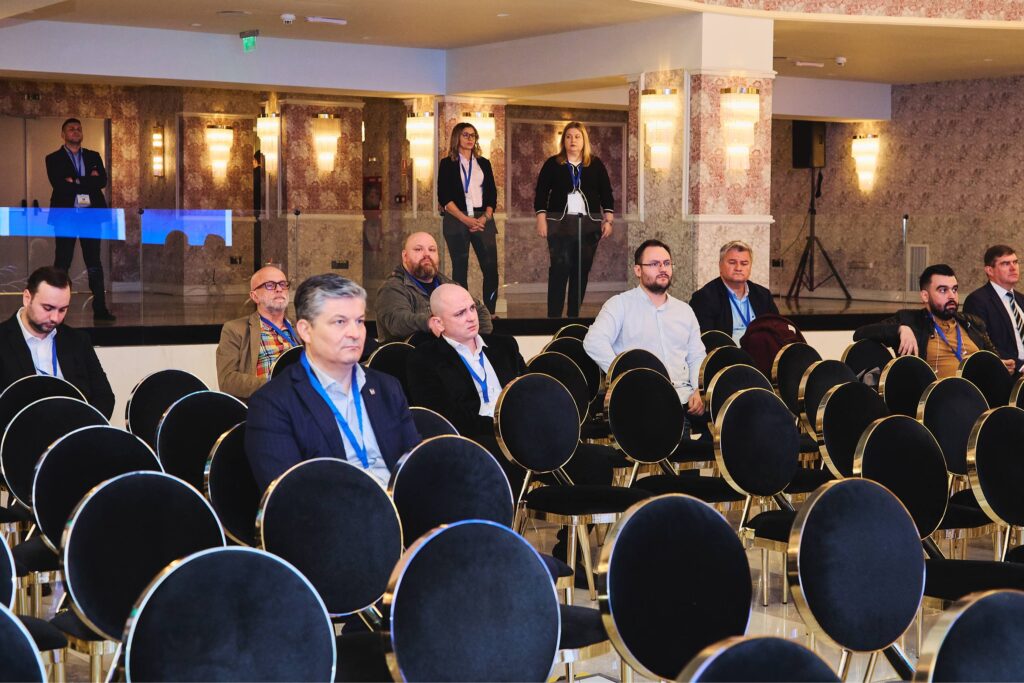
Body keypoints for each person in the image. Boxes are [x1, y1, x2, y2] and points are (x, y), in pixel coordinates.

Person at [246, 274, 420, 492]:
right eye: (340, 322)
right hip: (334, 509)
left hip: (400, 505)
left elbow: (415, 468)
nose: (355, 333)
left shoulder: (387, 387)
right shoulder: (273, 404)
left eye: (359, 321)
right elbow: (290, 496)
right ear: (305, 330)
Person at [405, 284, 526, 486]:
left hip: (520, 430)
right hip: (473, 439)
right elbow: (444, 418)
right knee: (501, 454)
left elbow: (528, 393)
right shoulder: (424, 359)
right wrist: (503, 428)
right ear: (439, 323)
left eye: (472, 309)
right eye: (460, 313)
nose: (471, 317)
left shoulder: (505, 347)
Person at [583, 239, 706, 416]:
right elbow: (594, 341)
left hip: (683, 399)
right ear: (638, 270)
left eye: (667, 263)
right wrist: (624, 377)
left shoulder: (684, 310)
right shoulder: (620, 305)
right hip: (640, 399)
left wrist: (698, 389)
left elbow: (696, 356)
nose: (663, 269)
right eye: (654, 264)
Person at [854, 264, 1010, 379]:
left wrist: (1002, 366)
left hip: (980, 395)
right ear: (925, 296)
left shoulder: (973, 323)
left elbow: (995, 360)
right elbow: (860, 333)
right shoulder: (910, 320)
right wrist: (900, 329)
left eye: (954, 289)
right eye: (943, 290)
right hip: (936, 399)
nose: (952, 296)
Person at [0, 267, 114, 418]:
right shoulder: (3, 340)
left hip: (74, 428)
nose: (55, 318)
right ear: (27, 298)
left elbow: (104, 397)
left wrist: (83, 426)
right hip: (18, 430)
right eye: (48, 308)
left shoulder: (78, 341)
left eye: (62, 310)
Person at [534, 121, 614, 318]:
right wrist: (541, 219)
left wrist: (608, 220)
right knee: (559, 270)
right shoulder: (553, 164)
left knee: (581, 272)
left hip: (588, 225)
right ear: (563, 140)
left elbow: (606, 192)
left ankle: (573, 317)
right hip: (559, 224)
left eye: (577, 137)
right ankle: (553, 317)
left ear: (584, 140)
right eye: (569, 137)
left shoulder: (595, 164)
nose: (573, 140)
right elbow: (541, 192)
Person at [45, 118, 116, 322]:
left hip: (91, 217)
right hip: (65, 217)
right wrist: (88, 181)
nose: (75, 131)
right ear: (63, 134)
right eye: (71, 129)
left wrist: (75, 180)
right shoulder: (53, 158)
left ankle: (100, 309)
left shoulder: (94, 156)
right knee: (62, 262)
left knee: (94, 262)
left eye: (78, 129)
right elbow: (59, 185)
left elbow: (101, 181)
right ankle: (55, 309)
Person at [375, 231, 492, 343]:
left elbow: (480, 311)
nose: (426, 254)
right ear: (405, 256)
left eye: (432, 250)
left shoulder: (449, 285)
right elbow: (397, 321)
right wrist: (429, 322)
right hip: (409, 355)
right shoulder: (392, 288)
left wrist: (474, 343)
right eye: (418, 249)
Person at [437, 122, 499, 314]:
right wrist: (466, 219)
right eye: (466, 135)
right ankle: (462, 311)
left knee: (491, 268)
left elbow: (492, 194)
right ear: (457, 138)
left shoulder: (484, 163)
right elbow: (444, 197)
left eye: (473, 135)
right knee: (460, 268)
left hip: (483, 219)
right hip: (457, 219)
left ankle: (490, 312)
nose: (470, 139)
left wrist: (485, 217)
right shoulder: (447, 164)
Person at [216, 265, 298, 400]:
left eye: (283, 284)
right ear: (255, 296)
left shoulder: (301, 328)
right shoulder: (235, 330)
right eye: (270, 285)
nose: (279, 289)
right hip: (266, 402)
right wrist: (275, 385)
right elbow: (227, 381)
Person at [689, 240, 779, 343]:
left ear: (750, 267)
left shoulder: (763, 295)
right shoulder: (704, 298)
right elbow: (706, 341)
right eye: (732, 262)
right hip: (727, 352)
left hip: (760, 350)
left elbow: (778, 330)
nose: (738, 268)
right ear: (720, 265)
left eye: (744, 263)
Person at [963, 245, 1024, 373]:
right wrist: (1020, 366)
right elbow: (982, 344)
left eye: (1015, 262)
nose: (1013, 267)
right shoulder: (977, 301)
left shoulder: (1021, 299)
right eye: (1005, 264)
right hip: (1007, 373)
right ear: (990, 270)